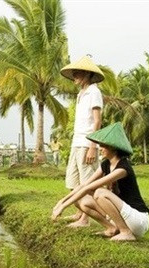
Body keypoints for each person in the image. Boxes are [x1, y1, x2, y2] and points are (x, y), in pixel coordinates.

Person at [51, 123, 149, 241]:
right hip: (122, 215)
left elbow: (90, 188)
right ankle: (111, 228)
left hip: (137, 219)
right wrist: (61, 203)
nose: (100, 148)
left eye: (103, 145)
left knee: (100, 193)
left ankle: (126, 232)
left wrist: (63, 207)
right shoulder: (105, 164)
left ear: (113, 147)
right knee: (83, 202)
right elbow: (84, 185)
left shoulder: (123, 168)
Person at [60, 55, 105, 227]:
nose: (75, 77)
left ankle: (85, 219)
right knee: (73, 182)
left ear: (87, 74)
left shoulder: (94, 92)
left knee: (87, 183)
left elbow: (97, 121)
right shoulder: (81, 94)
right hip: (76, 142)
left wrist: (93, 145)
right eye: (74, 74)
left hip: (87, 143)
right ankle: (80, 213)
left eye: (77, 73)